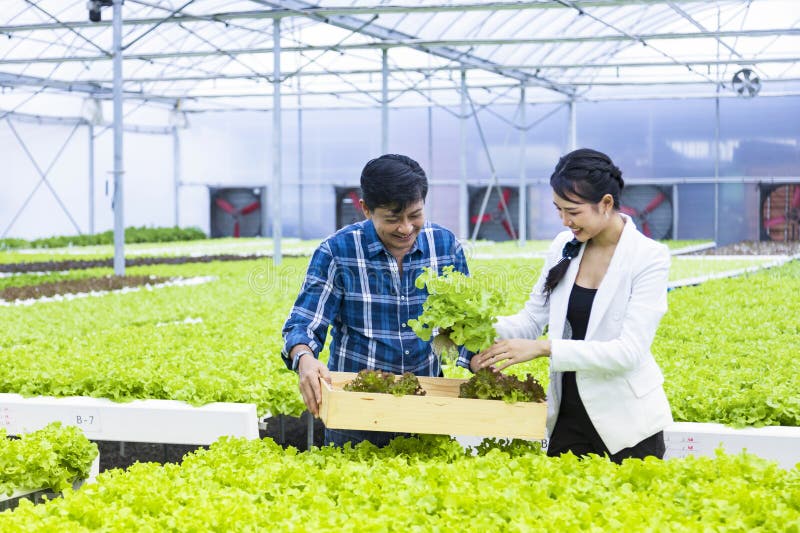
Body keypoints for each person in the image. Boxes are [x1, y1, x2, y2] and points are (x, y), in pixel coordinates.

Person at [471, 148, 672, 463]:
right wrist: (471, 325)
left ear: (606, 203)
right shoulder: (563, 247)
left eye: (573, 211)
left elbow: (628, 352)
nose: (565, 221)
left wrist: (544, 348)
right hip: (567, 418)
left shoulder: (649, 257)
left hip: (628, 427)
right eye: (558, 210)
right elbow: (530, 321)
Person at [282, 154, 470, 448]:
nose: (406, 228)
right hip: (356, 415)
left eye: (415, 215)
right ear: (366, 209)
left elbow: (463, 323)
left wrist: (478, 356)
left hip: (426, 409)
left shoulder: (445, 245)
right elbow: (304, 322)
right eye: (393, 219)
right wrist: (304, 357)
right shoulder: (338, 251)